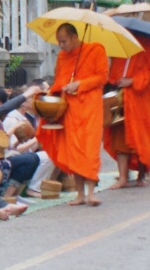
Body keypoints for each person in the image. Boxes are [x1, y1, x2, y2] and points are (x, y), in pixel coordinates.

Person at [36, 23, 108, 207]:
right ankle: (80, 194)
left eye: (64, 41)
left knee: (89, 149)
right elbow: (59, 79)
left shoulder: (95, 50)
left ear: (75, 37)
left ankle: (91, 193)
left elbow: (102, 77)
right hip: (69, 108)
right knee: (73, 150)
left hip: (90, 107)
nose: (61, 45)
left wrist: (79, 84)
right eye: (59, 42)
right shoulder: (62, 57)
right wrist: (56, 91)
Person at [104, 36, 150, 188]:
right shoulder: (120, 44)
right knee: (120, 136)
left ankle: (141, 175)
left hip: (141, 99)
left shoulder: (148, 45)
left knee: (140, 136)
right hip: (121, 98)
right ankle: (123, 177)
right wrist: (116, 79)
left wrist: (132, 81)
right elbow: (113, 71)